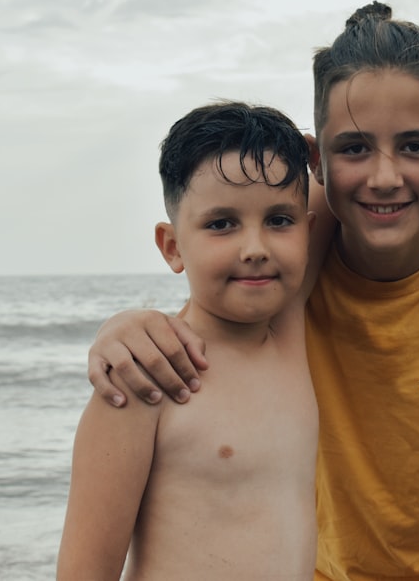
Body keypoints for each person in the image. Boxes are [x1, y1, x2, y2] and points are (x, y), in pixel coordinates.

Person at [89, 2, 419, 580]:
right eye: (354, 148)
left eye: (417, 146)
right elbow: (225, 276)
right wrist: (127, 325)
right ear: (318, 158)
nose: (384, 176)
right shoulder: (298, 259)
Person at [57, 102, 322, 580]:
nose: (256, 248)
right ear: (173, 246)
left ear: (308, 230)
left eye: (280, 220)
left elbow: (381, 181)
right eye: (221, 224)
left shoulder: (291, 331)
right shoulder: (146, 376)